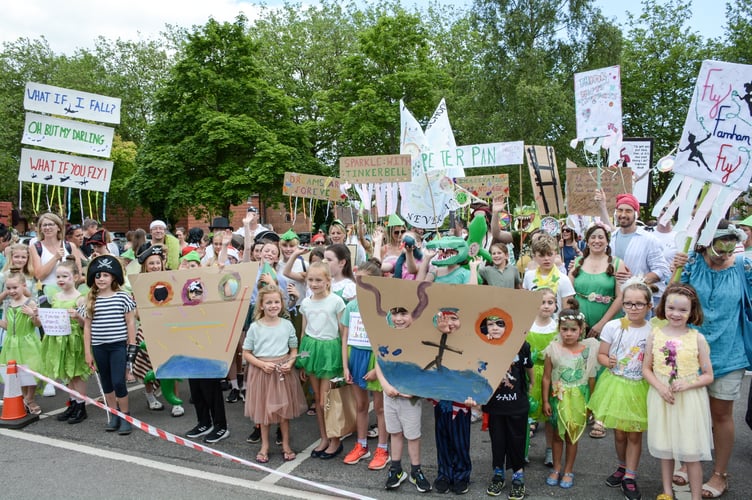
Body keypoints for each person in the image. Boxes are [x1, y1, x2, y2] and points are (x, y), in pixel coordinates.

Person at [672, 221, 750, 498]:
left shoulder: (745, 267)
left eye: (731, 244)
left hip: (730, 353)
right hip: (691, 353)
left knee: (721, 415)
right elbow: (671, 300)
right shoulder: (692, 264)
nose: (725, 251)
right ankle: (687, 462)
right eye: (720, 244)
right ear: (706, 243)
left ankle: (719, 474)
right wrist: (677, 270)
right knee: (690, 411)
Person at [643, 283, 713, 500]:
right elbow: (646, 368)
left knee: (691, 452)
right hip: (662, 396)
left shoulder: (697, 338)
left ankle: (695, 496)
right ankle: (667, 491)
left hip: (688, 399)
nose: (676, 314)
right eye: (672, 308)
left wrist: (688, 384)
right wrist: (660, 387)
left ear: (692, 312)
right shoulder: (655, 334)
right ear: (664, 307)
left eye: (683, 310)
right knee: (665, 448)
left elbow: (708, 375)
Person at [588, 278, 653, 500]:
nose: (633, 308)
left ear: (649, 306)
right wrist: (608, 362)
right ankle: (622, 465)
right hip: (615, 384)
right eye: (628, 304)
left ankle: (630, 476)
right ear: (622, 304)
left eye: (639, 304)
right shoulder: (613, 326)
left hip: (638, 386)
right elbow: (602, 354)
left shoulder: (652, 331)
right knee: (619, 433)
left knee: (635, 434)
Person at [242, 285, 306, 463]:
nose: (273, 305)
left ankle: (285, 444)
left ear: (282, 304)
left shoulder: (287, 325)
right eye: (268, 302)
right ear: (261, 305)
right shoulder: (255, 327)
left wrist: (291, 362)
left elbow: (294, 349)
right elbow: (246, 352)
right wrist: (262, 364)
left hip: (282, 372)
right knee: (264, 414)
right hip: (262, 372)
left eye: (276, 302)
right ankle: (264, 446)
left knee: (284, 412)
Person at [541, 301, 598, 489]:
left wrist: (591, 404)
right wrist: (545, 401)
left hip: (579, 398)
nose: (568, 333)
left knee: (572, 436)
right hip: (558, 396)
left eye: (573, 330)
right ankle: (556, 467)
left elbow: (591, 378)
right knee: (557, 434)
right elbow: (547, 377)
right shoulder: (553, 349)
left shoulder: (588, 350)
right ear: (559, 329)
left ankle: (568, 470)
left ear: (581, 330)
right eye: (564, 329)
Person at [376, 306, 431, 492]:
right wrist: (385, 385)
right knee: (395, 433)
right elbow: (379, 361)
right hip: (390, 394)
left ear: (413, 315)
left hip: (410, 398)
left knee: (413, 435)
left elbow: (426, 368)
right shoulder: (385, 335)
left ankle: (416, 471)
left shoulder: (419, 340)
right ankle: (396, 469)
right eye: (395, 314)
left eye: (403, 314)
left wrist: (415, 391)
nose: (399, 318)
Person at [295, 261, 346, 458]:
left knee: (328, 400)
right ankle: (324, 437)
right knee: (317, 399)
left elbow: (343, 333)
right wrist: (302, 361)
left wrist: (344, 360)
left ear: (328, 280)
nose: (314, 284)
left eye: (318, 280)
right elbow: (303, 333)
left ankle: (335, 439)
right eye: (311, 280)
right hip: (311, 351)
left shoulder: (336, 302)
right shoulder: (306, 303)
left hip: (329, 352)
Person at [341, 260, 389, 470]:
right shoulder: (351, 305)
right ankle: (361, 445)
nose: (361, 284)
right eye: (358, 279)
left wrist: (377, 367)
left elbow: (387, 341)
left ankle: (382, 448)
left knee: (379, 408)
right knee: (360, 406)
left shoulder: (383, 305)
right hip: (355, 357)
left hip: (375, 360)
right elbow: (344, 338)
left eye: (366, 280)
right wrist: (345, 366)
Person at [81, 255, 137, 435]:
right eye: (98, 276)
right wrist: (87, 353)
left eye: (105, 275)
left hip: (117, 346)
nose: (101, 279)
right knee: (106, 382)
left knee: (119, 381)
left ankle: (125, 416)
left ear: (113, 277)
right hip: (99, 347)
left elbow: (130, 322)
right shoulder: (90, 299)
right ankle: (114, 414)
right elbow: (87, 327)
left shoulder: (122, 297)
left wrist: (132, 343)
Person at [595, 191, 669, 305]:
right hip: (611, 301)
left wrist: (636, 280)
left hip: (638, 303)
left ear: (636, 214)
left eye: (628, 211)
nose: (623, 214)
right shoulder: (611, 238)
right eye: (620, 210)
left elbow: (662, 271)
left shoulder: (648, 239)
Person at [481, 340, 533, 499]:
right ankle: (498, 473)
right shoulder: (485, 345)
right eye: (492, 324)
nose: (495, 328)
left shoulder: (522, 345)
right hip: (495, 405)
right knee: (497, 440)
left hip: (516, 404)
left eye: (500, 324)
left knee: (517, 440)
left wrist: (532, 383)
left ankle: (518, 475)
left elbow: (529, 367)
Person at [40, 260, 90, 424]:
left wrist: (78, 317)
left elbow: (86, 324)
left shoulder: (80, 299)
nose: (61, 279)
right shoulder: (55, 297)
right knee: (67, 373)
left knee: (76, 374)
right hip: (60, 339)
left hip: (74, 340)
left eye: (65, 276)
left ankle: (81, 406)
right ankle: (73, 402)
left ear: (75, 277)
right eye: (58, 276)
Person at [569, 223, 626, 338]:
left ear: (607, 240)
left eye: (601, 237)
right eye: (593, 237)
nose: (597, 241)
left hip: (608, 324)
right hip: (579, 324)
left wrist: (602, 324)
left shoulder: (617, 263)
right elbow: (568, 294)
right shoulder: (576, 263)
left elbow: (621, 297)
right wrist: (578, 320)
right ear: (587, 240)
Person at [0, 270, 43, 414]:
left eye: (15, 287)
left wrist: (33, 315)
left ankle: (30, 399)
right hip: (12, 343)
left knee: (31, 371)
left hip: (28, 342)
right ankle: (24, 398)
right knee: (18, 373)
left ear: (23, 286)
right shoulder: (8, 304)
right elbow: (7, 325)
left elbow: (38, 324)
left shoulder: (29, 302)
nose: (11, 291)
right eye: (8, 288)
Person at [526, 288, 558, 468]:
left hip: (550, 375)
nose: (546, 306)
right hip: (529, 373)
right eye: (542, 302)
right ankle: (523, 449)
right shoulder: (527, 324)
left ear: (555, 305)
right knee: (527, 413)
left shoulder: (557, 327)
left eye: (550, 302)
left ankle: (550, 450)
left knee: (549, 416)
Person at [523, 234, 575, 310]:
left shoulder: (564, 279)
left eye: (550, 254)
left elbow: (568, 310)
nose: (546, 258)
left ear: (555, 254)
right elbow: (526, 303)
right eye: (541, 255)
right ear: (534, 257)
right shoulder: (529, 276)